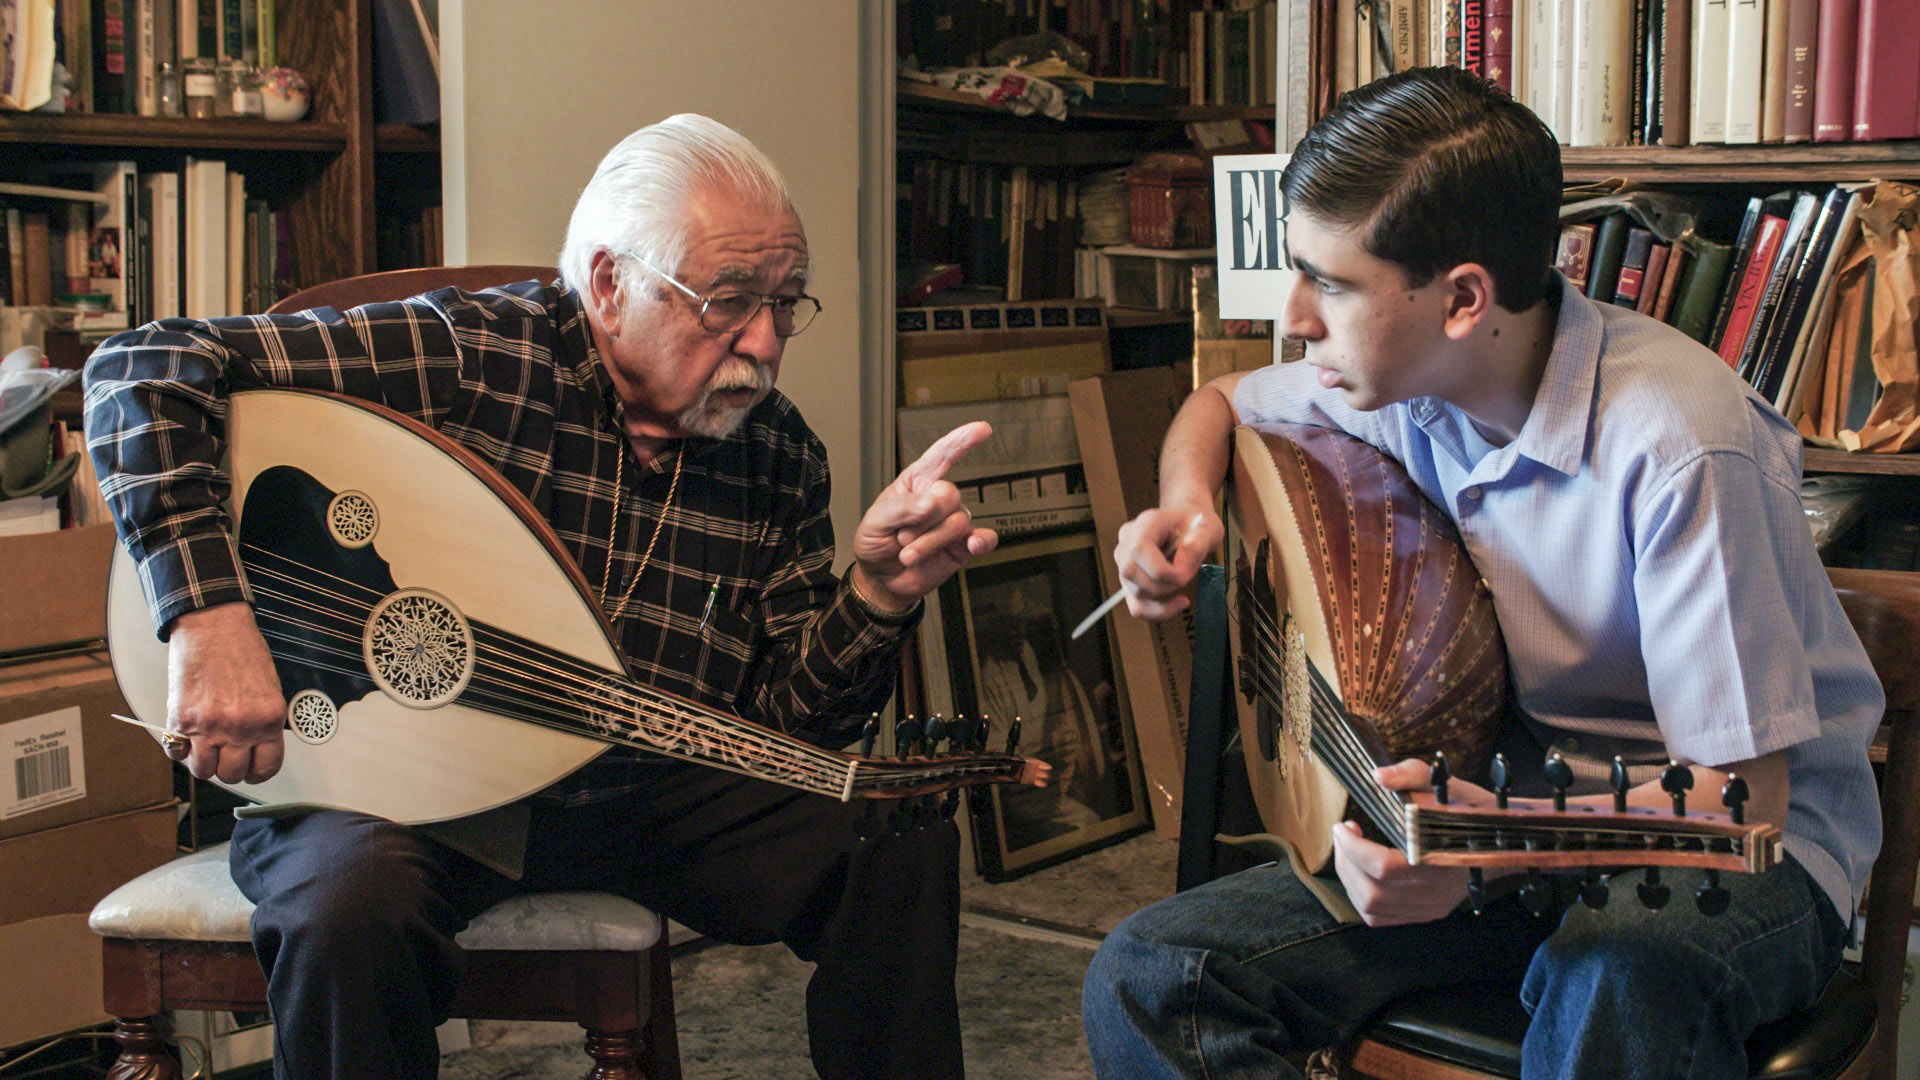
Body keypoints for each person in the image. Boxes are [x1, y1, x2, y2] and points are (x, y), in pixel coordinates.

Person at [86, 114, 1009, 1080]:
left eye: (786, 302)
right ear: (609, 285)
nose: (767, 342)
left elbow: (786, 734)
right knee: (344, 907)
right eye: (730, 300)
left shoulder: (775, 453)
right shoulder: (469, 356)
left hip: (639, 789)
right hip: (396, 794)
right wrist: (209, 617)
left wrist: (878, 592)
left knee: (893, 842)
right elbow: (140, 370)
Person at [1082, 67, 1884, 1079]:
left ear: (1461, 299)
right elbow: (1223, 405)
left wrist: (1482, 858)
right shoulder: (1397, 379)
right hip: (1503, 822)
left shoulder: (1681, 445)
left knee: (1617, 971)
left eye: (1328, 282)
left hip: (1739, 858)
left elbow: (1743, 806)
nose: (1295, 316)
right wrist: (1190, 509)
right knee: (1153, 971)